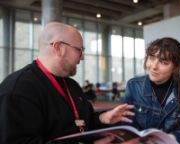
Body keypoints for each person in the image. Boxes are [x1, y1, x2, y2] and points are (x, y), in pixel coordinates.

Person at [0, 22, 135, 144]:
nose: (82, 57)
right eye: (79, 50)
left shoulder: (72, 85)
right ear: (59, 47)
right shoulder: (18, 90)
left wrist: (103, 118)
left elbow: (83, 122)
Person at [123, 37, 180, 144]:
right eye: (151, 58)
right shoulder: (133, 85)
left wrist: (162, 141)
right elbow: (128, 124)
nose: (153, 67)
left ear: (175, 67)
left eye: (163, 62)